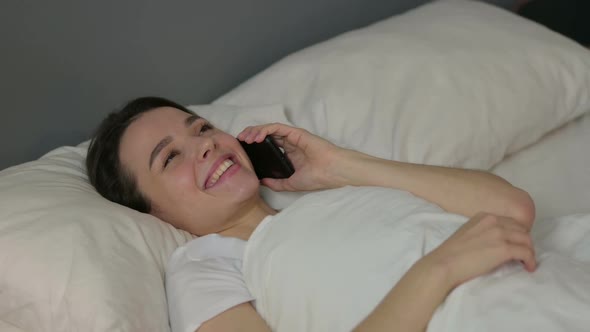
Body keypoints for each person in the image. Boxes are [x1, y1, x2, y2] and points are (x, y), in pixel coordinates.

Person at [86, 96, 537, 332]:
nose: (205, 143)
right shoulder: (203, 268)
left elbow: (511, 208)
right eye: (170, 159)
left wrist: (339, 166)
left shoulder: (322, 198)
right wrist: (438, 270)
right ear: (151, 214)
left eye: (202, 128)